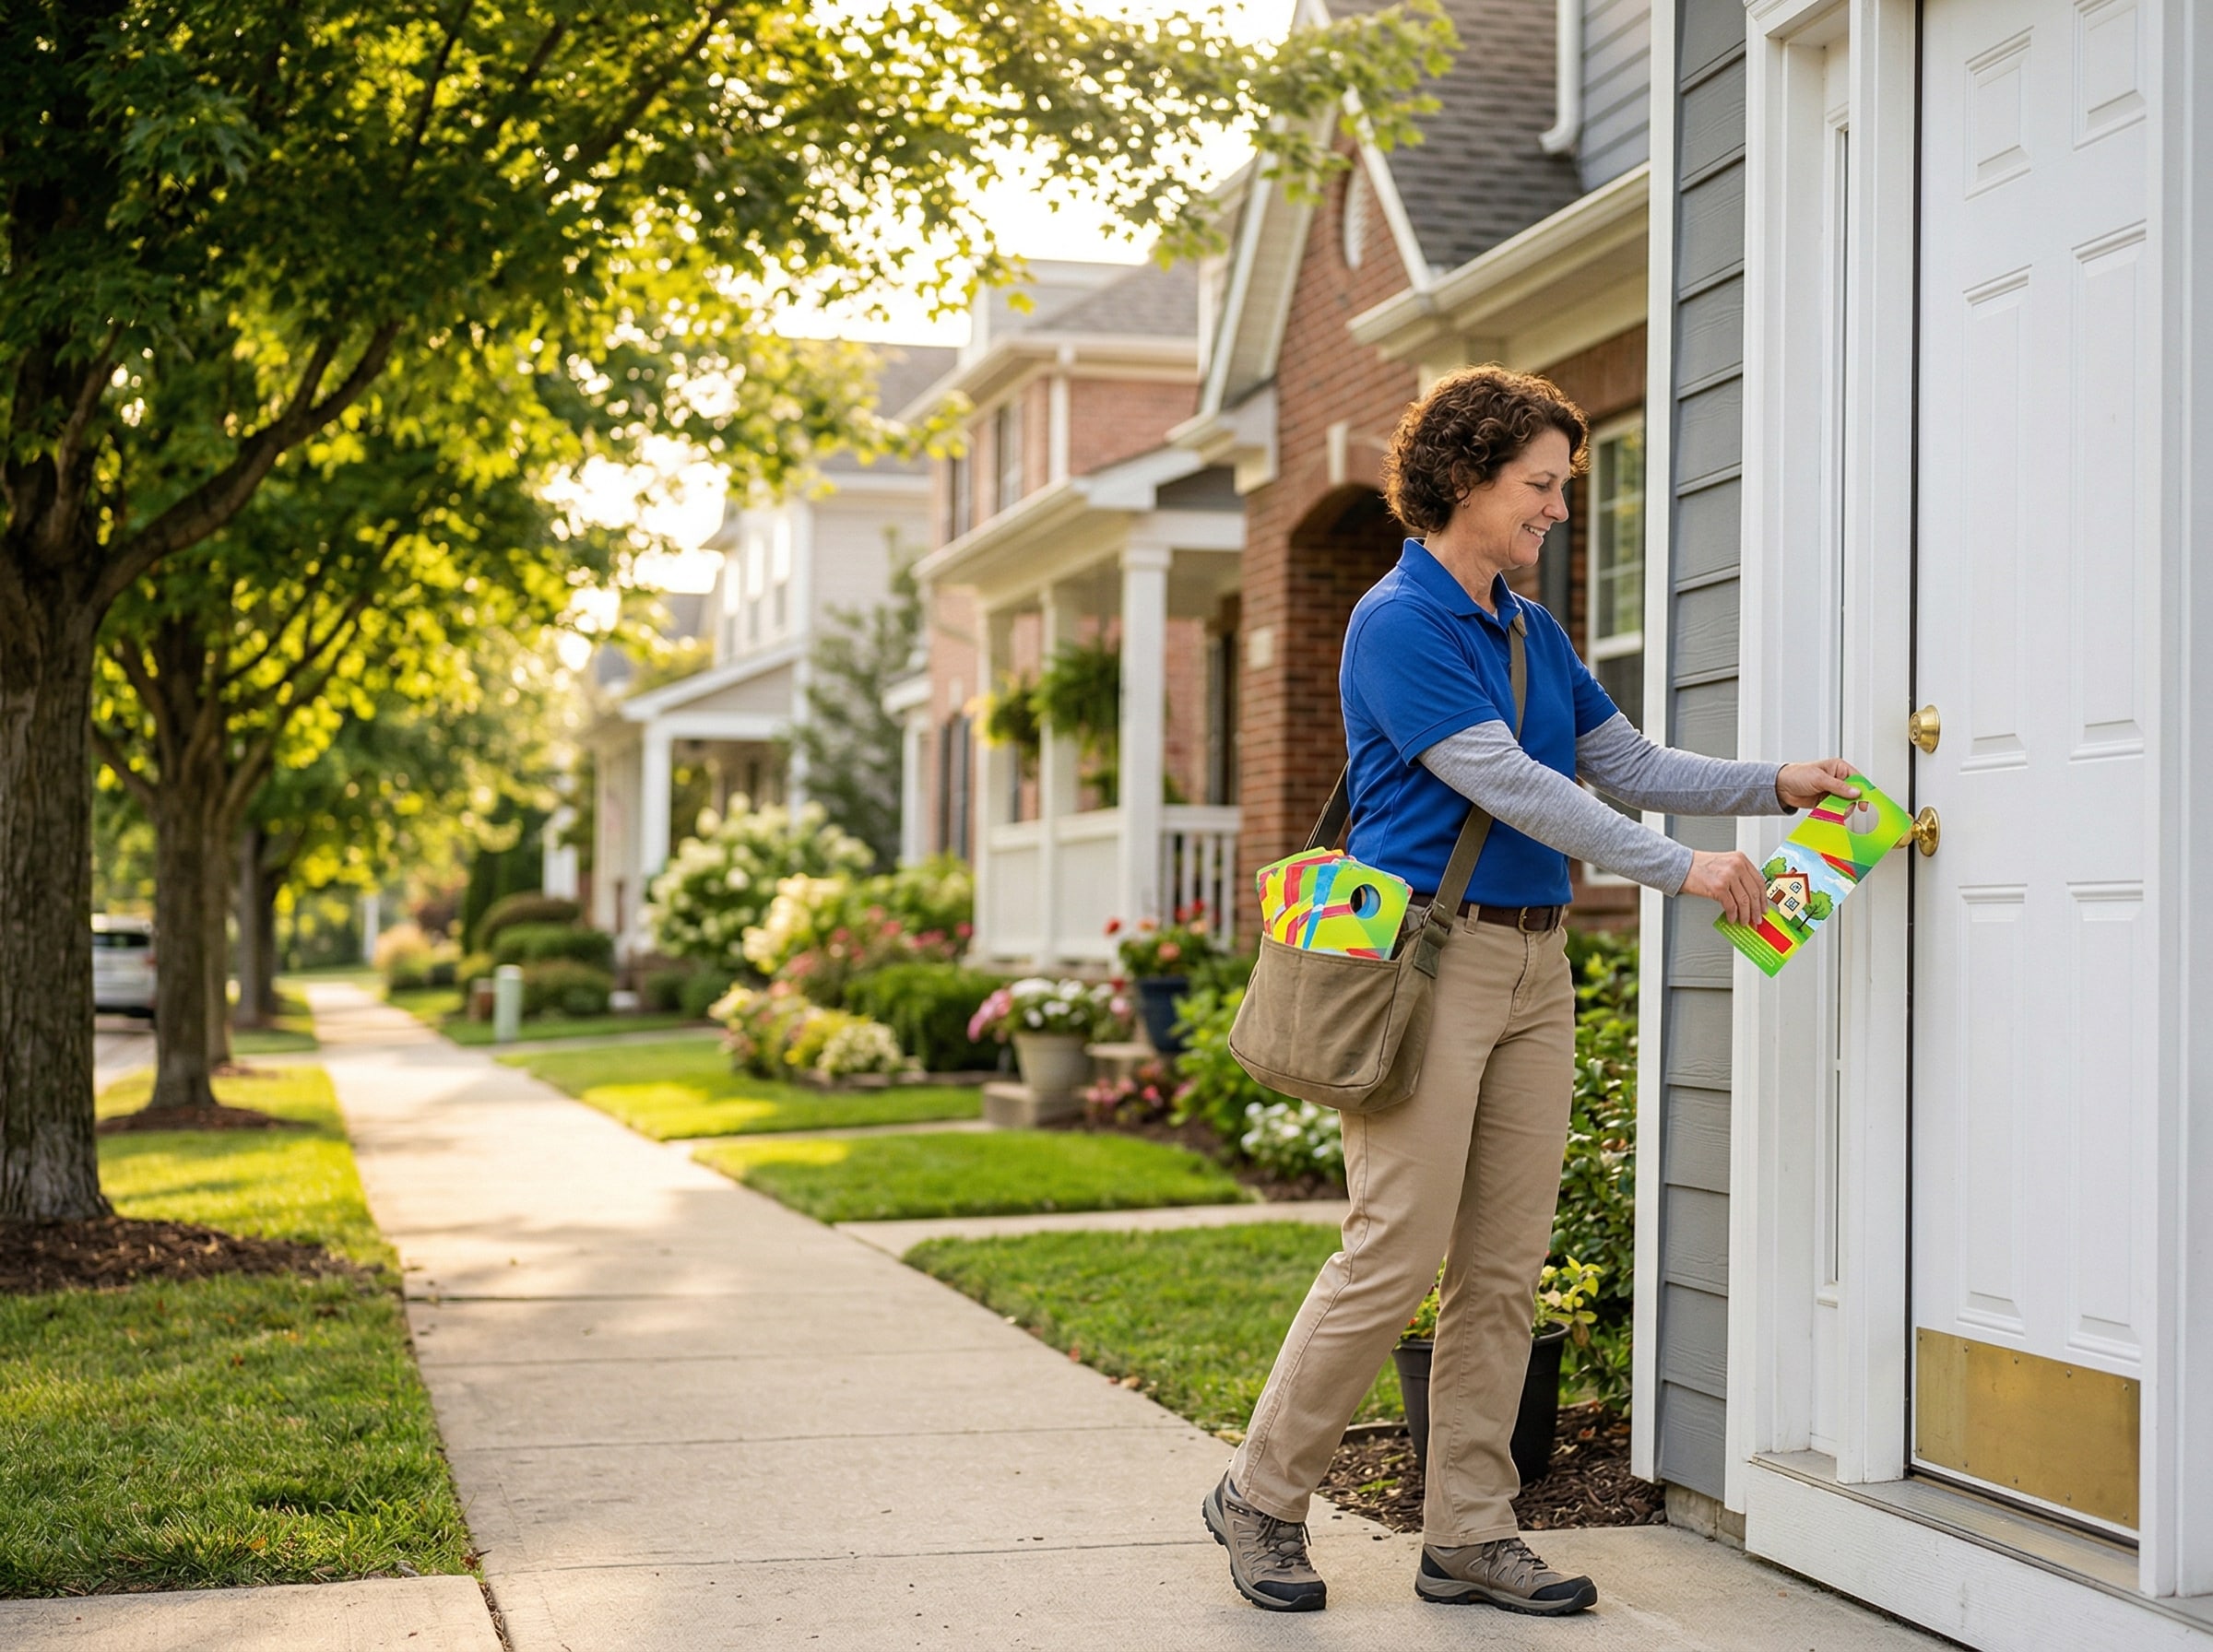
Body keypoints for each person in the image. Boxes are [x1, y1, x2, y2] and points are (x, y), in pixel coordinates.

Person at [1202, 365, 1858, 1616]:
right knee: (1393, 1254)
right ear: (1465, 480)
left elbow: (1622, 759)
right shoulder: (1399, 621)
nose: (1558, 509)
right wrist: (1682, 869)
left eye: (1561, 488)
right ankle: (1261, 1496)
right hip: (1425, 965)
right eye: (1541, 486)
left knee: (1503, 1266)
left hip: (1535, 963)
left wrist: (1776, 785)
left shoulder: (1531, 629)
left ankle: (1469, 1529)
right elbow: (1512, 785)